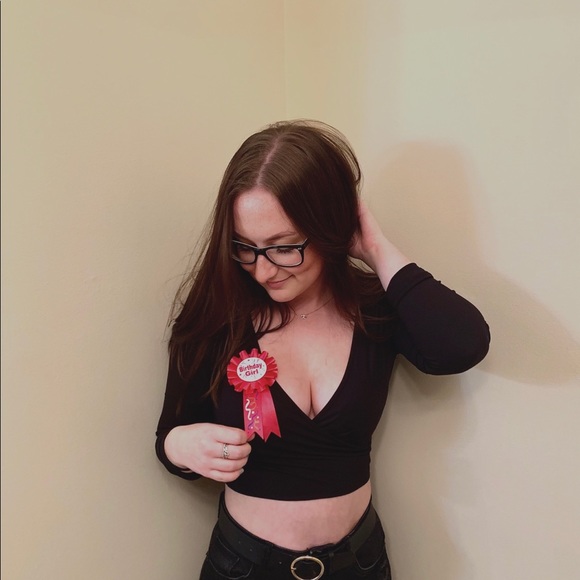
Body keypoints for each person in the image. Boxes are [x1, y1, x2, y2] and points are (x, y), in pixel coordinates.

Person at [155, 120, 490, 580]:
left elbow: (462, 346)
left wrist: (374, 247)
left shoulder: (374, 310)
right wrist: (180, 446)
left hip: (360, 564)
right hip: (243, 567)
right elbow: (167, 437)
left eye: (283, 247)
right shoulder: (215, 319)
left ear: (330, 227)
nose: (263, 270)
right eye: (245, 247)